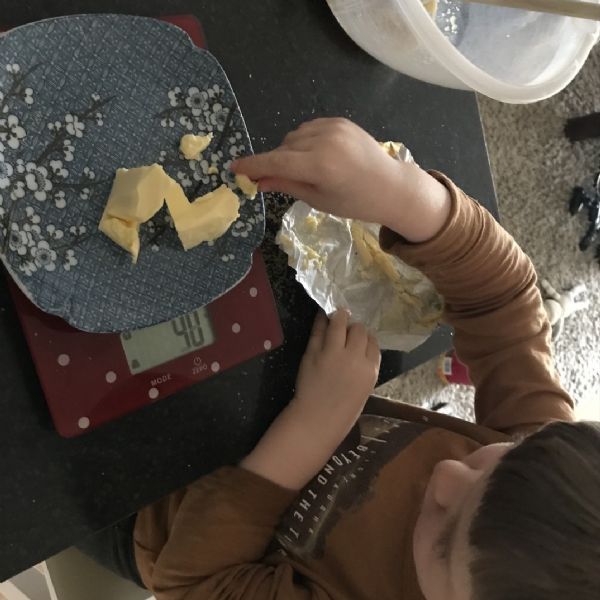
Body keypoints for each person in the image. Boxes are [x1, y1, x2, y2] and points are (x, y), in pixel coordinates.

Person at [83, 118, 600, 599]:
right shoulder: (545, 476)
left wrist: (312, 428)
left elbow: (199, 580)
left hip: (146, 507)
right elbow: (506, 303)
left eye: (446, 541)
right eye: (495, 459)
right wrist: (405, 195)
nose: (446, 474)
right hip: (250, 402)